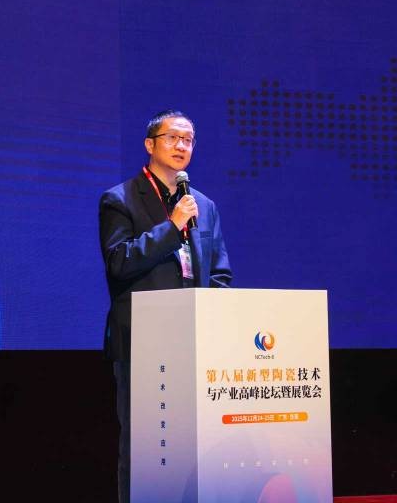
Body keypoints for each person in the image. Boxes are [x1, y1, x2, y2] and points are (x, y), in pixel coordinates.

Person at [98, 109, 232, 503]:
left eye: (188, 140)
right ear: (149, 144)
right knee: (144, 445)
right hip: (143, 342)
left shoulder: (203, 204)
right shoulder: (120, 199)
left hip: (194, 342)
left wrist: (213, 318)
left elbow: (220, 272)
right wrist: (172, 226)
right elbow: (119, 262)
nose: (181, 146)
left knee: (193, 443)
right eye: (172, 137)